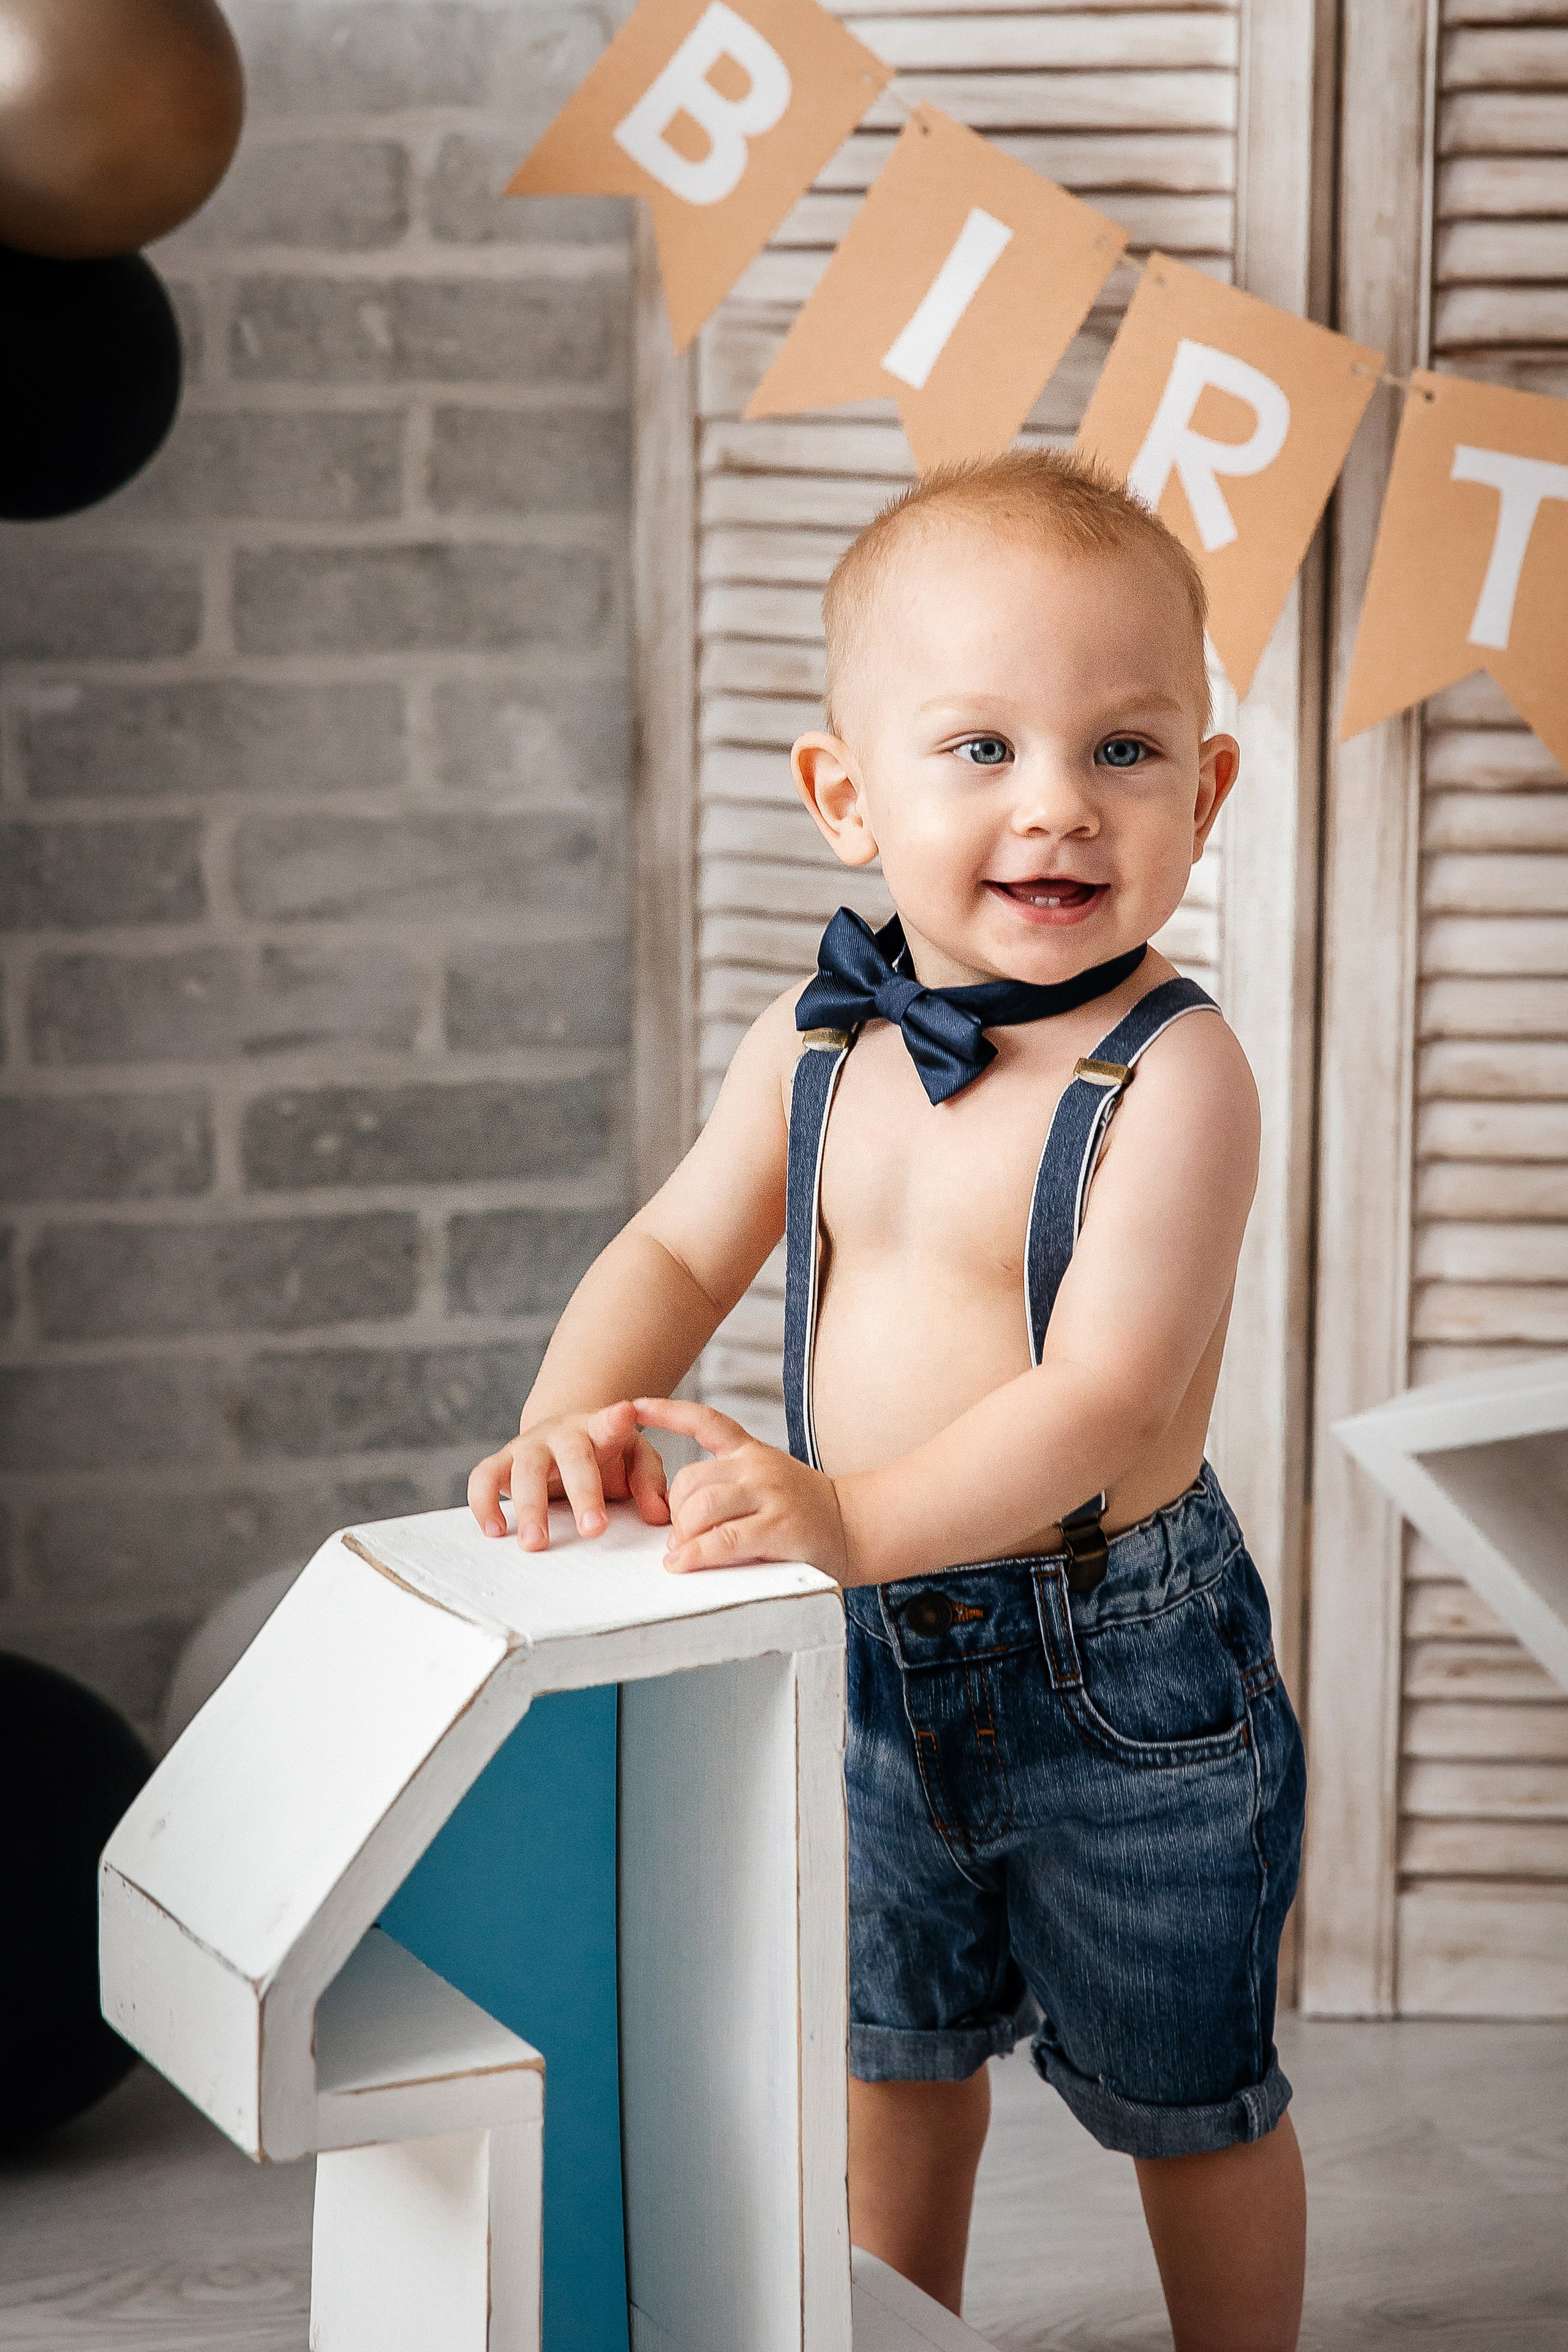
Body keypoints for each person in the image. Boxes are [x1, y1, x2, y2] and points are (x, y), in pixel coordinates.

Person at [469, 449, 1308, 2352]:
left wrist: (844, 1515)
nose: (1057, 807)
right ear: (849, 796)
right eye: (983, 748)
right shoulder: (817, 1040)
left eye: (1123, 749)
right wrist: (570, 1409)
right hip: (862, 1663)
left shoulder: (1180, 1078)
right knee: (893, 2050)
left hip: (1126, 1680)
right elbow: (681, 1256)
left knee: (1192, 2093)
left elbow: (1105, 1394)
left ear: (1210, 790)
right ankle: (895, 2328)